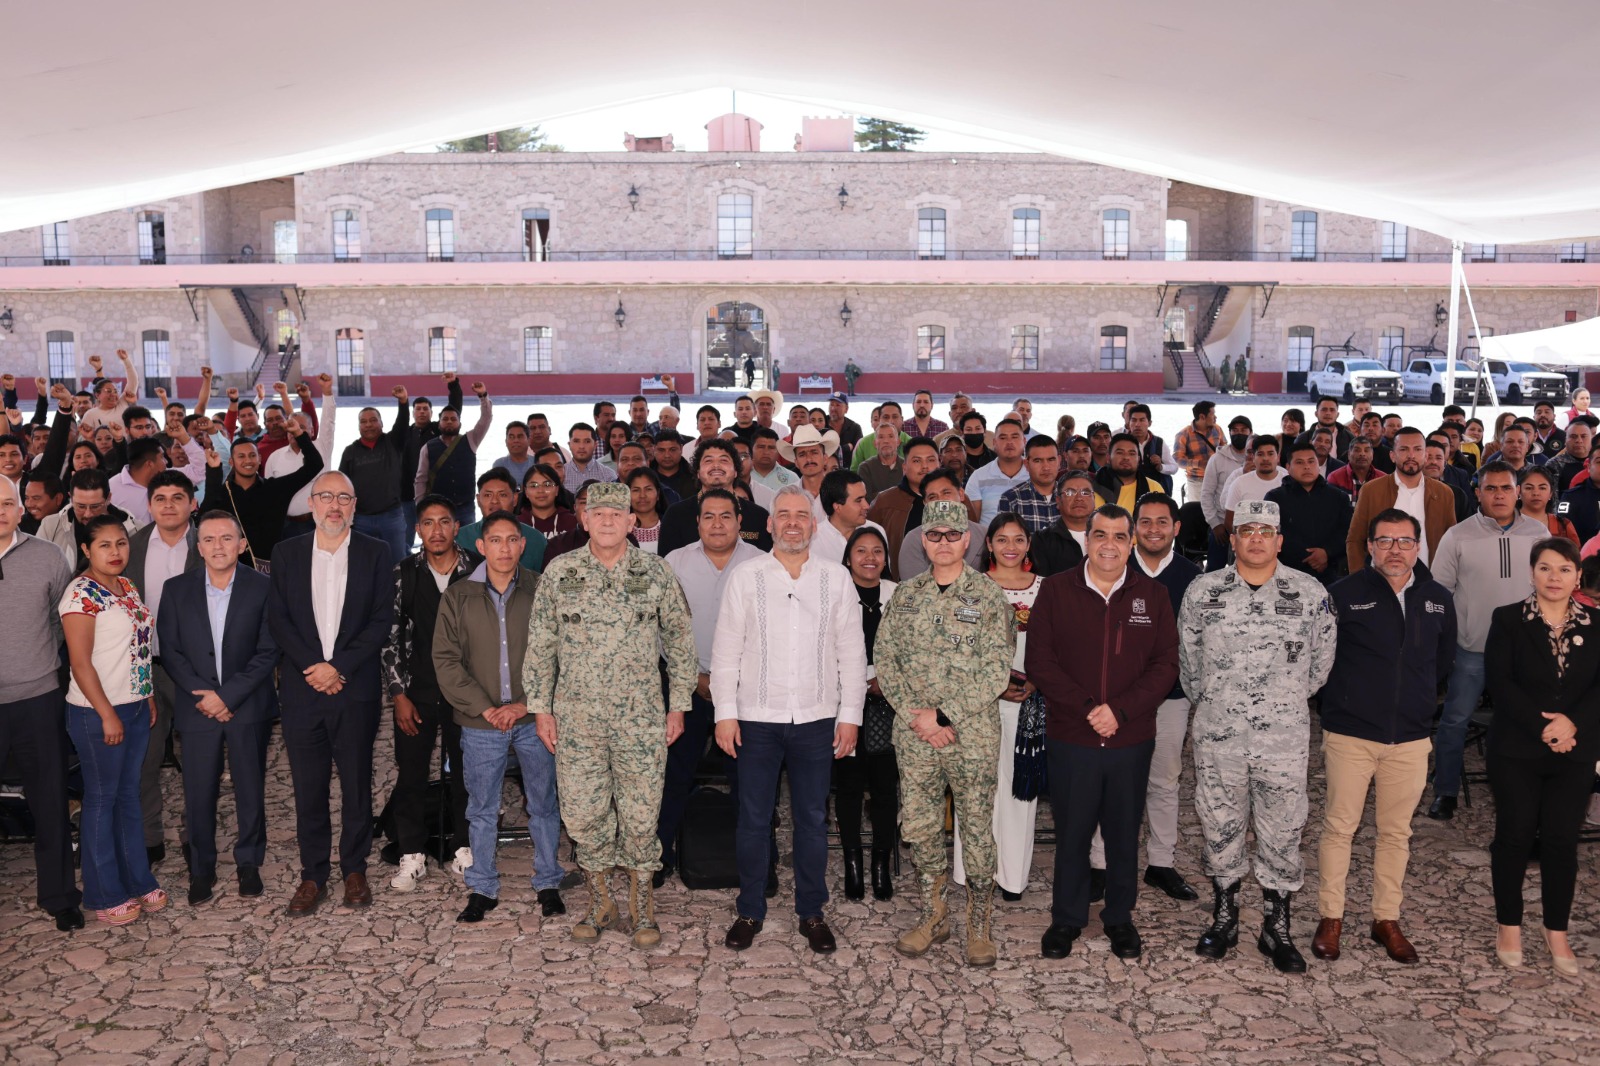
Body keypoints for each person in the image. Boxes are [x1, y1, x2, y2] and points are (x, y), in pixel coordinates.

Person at [523, 482, 698, 947]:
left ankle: (643, 908)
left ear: (630, 521)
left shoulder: (655, 572)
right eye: (596, 513)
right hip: (578, 720)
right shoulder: (560, 573)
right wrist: (540, 708)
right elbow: (541, 646)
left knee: (642, 815)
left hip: (640, 719)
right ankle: (601, 902)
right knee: (584, 814)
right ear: (584, 519)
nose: (605, 520)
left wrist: (679, 704)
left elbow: (680, 642)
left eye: (615, 514)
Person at [1178, 500, 1336, 973]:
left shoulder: (1308, 593)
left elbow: (1320, 665)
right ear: (1233, 538)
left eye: (1265, 531)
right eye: (1246, 530)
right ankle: (1224, 916)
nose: (1256, 539)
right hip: (1218, 735)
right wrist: (1219, 703)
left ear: (1279, 540)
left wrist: (1280, 702)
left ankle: (1276, 924)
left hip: (1283, 738)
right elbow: (1189, 664)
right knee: (1219, 822)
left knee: (1283, 828)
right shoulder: (1203, 591)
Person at [711, 485, 865, 954]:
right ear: (771, 524)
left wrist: (851, 715)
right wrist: (724, 713)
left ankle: (811, 911)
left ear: (814, 526)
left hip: (818, 720)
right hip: (756, 720)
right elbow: (726, 653)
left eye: (802, 515)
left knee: (812, 820)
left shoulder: (836, 579)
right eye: (784, 515)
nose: (794, 522)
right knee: (754, 819)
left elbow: (851, 653)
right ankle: (750, 909)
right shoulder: (745, 576)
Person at [1028, 503, 1179, 960]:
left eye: (1118, 536)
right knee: (1072, 831)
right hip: (1072, 735)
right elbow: (1040, 662)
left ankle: (1119, 917)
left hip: (1129, 738)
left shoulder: (1152, 595)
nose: (1109, 545)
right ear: (1086, 541)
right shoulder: (1056, 591)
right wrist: (1089, 708)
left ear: (1131, 542)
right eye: (1100, 535)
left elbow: (1165, 665)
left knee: (1121, 832)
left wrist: (1122, 711)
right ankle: (1067, 918)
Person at [875, 500, 1016, 968]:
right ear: (922, 540)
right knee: (919, 825)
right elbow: (885, 657)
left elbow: (997, 671)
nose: (942, 543)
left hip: (969, 733)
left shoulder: (990, 597)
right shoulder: (906, 595)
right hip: (914, 733)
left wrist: (943, 716)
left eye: (951, 535)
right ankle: (934, 914)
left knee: (976, 828)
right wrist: (918, 717)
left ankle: (979, 923)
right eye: (933, 535)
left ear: (968, 540)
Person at [1311, 509, 1455, 965]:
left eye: (1405, 541)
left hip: (1410, 738)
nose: (1396, 549)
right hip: (1352, 734)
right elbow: (1320, 663)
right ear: (1369, 546)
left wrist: (1416, 706)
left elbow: (1443, 662)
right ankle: (1331, 917)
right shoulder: (1341, 595)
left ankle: (1385, 919)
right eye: (1386, 540)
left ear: (1418, 547)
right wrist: (1341, 709)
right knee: (1339, 828)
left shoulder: (1437, 599)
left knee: (1396, 832)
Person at [268, 472, 396, 916]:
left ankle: (354, 869)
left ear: (355, 505)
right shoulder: (286, 554)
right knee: (308, 786)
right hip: (304, 690)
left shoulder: (376, 553)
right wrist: (315, 668)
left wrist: (338, 666)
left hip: (353, 686)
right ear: (311, 503)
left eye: (344, 497)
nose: (334, 505)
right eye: (326, 497)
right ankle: (312, 874)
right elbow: (279, 620)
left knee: (358, 782)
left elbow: (380, 621)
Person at [434, 512, 565, 923]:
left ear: (523, 545)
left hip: (533, 720)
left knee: (543, 804)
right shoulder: (458, 595)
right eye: (496, 540)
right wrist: (486, 707)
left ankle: (548, 882)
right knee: (482, 808)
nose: (504, 549)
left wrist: (526, 705)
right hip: (480, 724)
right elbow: (446, 660)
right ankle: (482, 887)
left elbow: (560, 654)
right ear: (480, 545)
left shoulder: (543, 590)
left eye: (512, 540)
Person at [1484, 537, 1599, 977]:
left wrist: (1573, 724)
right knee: (1514, 837)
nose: (1555, 577)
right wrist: (1545, 727)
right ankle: (1508, 925)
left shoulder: (1598, 623)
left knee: (1560, 841)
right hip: (1517, 747)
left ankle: (1557, 930)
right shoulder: (1508, 619)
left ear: (1577, 576)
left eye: (1564, 569)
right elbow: (1501, 681)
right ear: (1531, 572)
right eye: (1546, 568)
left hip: (1576, 748)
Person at [154, 511, 278, 906]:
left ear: (241, 544)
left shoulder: (263, 588)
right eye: (209, 539)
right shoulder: (176, 590)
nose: (218, 546)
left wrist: (229, 696)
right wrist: (203, 694)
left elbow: (269, 649)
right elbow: (170, 651)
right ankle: (201, 868)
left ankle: (248, 863)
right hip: (197, 708)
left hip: (248, 706)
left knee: (250, 786)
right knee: (198, 789)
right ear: (199, 546)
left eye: (227, 538)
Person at [1087, 493, 1203, 903]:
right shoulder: (1115, 565)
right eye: (1146, 522)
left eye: (1162, 522)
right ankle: (1099, 865)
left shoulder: (1194, 577)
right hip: (1116, 702)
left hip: (1171, 696)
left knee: (1164, 779)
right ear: (1133, 531)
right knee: (1110, 780)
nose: (1154, 529)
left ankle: (1161, 863)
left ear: (1176, 527)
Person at [1427, 462, 1548, 820]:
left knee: (1534, 721)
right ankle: (1445, 790)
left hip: (1526, 651)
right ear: (1478, 492)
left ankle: (1533, 791)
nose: (1499, 495)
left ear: (1518, 491)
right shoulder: (1458, 535)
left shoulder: (1539, 533)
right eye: (1491, 489)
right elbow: (1439, 592)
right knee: (1455, 720)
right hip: (1472, 649)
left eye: (1506, 488)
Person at [59, 513, 165, 925]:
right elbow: (80, 664)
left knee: (128, 796)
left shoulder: (127, 586)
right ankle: (103, 893)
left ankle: (137, 878)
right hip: (96, 711)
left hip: (136, 704)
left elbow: (138, 647)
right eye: (105, 545)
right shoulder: (80, 595)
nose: (116, 551)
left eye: (121, 543)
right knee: (102, 799)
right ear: (86, 550)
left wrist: (147, 693)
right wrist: (107, 714)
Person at [657, 489, 763, 884]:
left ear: (740, 522)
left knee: (748, 779)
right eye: (708, 517)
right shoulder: (674, 563)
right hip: (688, 686)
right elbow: (662, 628)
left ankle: (749, 860)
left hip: (743, 691)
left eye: (725, 516)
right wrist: (693, 678)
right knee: (674, 774)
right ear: (697, 522)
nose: (717, 524)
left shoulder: (761, 564)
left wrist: (728, 681)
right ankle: (661, 853)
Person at [381, 494, 479, 890]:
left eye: (444, 521)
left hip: (468, 694)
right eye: (427, 523)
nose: (436, 530)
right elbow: (389, 638)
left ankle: (465, 847)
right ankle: (411, 854)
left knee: (467, 774)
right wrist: (398, 694)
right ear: (417, 529)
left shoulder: (478, 568)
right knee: (411, 774)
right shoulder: (404, 572)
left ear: (457, 527)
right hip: (416, 693)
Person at [0, 474, 82, 930]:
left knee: (50, 801)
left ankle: (60, 895)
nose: (2, 510)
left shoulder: (48, 557)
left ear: (20, 508)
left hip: (37, 698)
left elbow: (60, 623)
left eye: (8, 502)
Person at [951, 513, 1044, 903]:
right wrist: (995, 683)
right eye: (1002, 539)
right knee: (977, 787)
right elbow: (958, 646)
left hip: (1030, 700)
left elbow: (1057, 645)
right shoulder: (970, 587)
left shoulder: (1048, 589)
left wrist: (1036, 680)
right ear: (987, 544)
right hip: (981, 701)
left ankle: (1012, 876)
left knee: (1019, 791)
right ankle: (972, 872)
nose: (1010, 547)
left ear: (1028, 545)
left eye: (1018, 539)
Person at [123, 470, 202, 866]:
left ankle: (195, 835)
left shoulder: (209, 544)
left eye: (177, 497)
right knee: (144, 757)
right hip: (144, 669)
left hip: (195, 670)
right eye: (160, 498)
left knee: (198, 757)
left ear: (192, 503)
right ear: (149, 505)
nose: (168, 505)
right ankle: (149, 837)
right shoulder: (131, 547)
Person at [832, 526, 902, 901]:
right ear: (848, 558)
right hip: (845, 706)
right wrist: (860, 683)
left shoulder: (899, 595)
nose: (870, 558)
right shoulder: (834, 594)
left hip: (890, 705)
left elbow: (912, 648)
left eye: (878, 551)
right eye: (861, 551)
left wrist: (884, 680)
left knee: (885, 788)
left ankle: (880, 863)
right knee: (848, 787)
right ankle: (853, 864)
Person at [205, 419, 325, 570]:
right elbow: (205, 514)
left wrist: (299, 434)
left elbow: (315, 465)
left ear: (260, 459)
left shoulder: (276, 488)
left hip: (271, 570)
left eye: (252, 455)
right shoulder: (223, 492)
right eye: (241, 456)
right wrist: (214, 470)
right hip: (231, 570)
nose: (248, 460)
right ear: (231, 461)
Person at [1346, 428, 1458, 570]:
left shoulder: (1444, 493)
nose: (1411, 455)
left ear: (1425, 455)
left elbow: (1452, 543)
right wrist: (1359, 581)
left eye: (1417, 449)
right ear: (1392, 455)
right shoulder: (1371, 490)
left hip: (1429, 583)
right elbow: (1355, 540)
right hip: (1380, 583)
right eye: (1404, 449)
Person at [658, 439, 772, 555]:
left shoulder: (759, 516)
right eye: (708, 461)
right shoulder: (676, 515)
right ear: (698, 472)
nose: (716, 465)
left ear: (736, 471)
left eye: (723, 460)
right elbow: (665, 566)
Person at [339, 386, 412, 565]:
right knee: (365, 565)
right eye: (364, 421)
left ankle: (399, 594)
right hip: (361, 520)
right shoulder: (350, 452)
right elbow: (342, 487)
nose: (369, 424)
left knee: (398, 564)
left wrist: (403, 402)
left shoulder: (393, 443)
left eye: (373, 420)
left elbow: (402, 423)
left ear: (381, 423)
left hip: (392, 517)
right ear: (358, 426)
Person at [1266, 440, 1353, 584]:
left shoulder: (1338, 497)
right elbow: (1271, 535)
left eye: (1311, 461)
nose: (1307, 466)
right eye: (1299, 462)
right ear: (1288, 467)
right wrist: (1310, 557)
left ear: (1318, 465)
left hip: (1331, 572)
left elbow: (1348, 531)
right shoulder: (1274, 498)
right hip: (1287, 574)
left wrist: (1327, 552)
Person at [414, 381, 493, 526]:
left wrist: (483, 396)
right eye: (445, 419)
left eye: (453, 419)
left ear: (460, 424)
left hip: (465, 508)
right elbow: (420, 479)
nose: (449, 422)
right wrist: (421, 506)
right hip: (437, 509)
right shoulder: (428, 447)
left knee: (467, 546)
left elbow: (486, 418)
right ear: (439, 424)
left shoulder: (471, 440)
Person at [865, 437, 941, 579]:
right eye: (917, 461)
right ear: (904, 467)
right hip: (898, 584)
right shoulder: (885, 501)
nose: (925, 466)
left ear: (939, 464)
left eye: (931, 460)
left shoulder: (957, 499)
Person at [897, 468, 984, 580]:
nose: (941, 501)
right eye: (932, 497)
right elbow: (912, 586)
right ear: (925, 503)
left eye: (946, 493)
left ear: (961, 494)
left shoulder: (984, 534)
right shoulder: (913, 539)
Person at [456, 469, 547, 572]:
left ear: (515, 499)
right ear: (478, 500)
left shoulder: (536, 539)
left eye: (502, 495)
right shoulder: (459, 538)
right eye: (487, 495)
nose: (494, 501)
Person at [38, 468, 138, 561]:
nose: (88, 514)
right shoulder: (50, 526)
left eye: (95, 507)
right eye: (81, 506)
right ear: (71, 499)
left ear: (108, 498)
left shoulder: (135, 529)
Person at [1199, 415, 1253, 571]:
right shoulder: (1217, 459)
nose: (1239, 433)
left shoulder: (1259, 459)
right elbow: (1206, 494)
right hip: (1222, 525)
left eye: (1243, 430)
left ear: (1251, 432)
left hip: (1252, 527)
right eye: (1234, 430)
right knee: (1214, 569)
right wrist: (1215, 524)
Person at [966, 418, 1029, 525]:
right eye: (1003, 437)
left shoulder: (1035, 473)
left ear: (1024, 441)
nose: (1009, 442)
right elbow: (972, 523)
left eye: (1014, 437)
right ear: (994, 443)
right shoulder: (978, 476)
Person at [996, 435, 1061, 534]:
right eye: (1038, 461)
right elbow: (1005, 541)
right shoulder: (1011, 499)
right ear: (1026, 464)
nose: (1046, 467)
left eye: (1051, 460)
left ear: (1059, 461)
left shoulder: (1071, 495)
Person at [1173, 400, 1223, 505]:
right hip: (1196, 481)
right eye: (1212, 414)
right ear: (1202, 417)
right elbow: (1177, 460)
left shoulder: (1217, 429)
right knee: (1198, 514)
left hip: (1218, 479)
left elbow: (1225, 449)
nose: (1215, 417)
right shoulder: (1183, 434)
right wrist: (1198, 464)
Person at [1519, 466, 1578, 543]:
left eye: (1542, 488)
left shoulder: (1563, 526)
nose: (1536, 493)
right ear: (1519, 492)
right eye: (1529, 488)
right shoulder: (1506, 523)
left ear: (1551, 493)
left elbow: (1575, 554)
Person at [519, 463, 577, 539]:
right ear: (526, 491)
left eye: (547, 485)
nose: (540, 491)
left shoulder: (573, 522)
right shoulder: (516, 524)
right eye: (534, 486)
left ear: (557, 490)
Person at [858, 420, 905, 503]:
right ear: (875, 443)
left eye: (891, 436)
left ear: (898, 442)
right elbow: (866, 501)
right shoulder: (865, 468)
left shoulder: (907, 467)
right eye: (881, 437)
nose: (886, 441)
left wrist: (877, 495)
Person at [623, 467, 667, 554]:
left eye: (648, 489)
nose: (642, 495)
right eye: (636, 490)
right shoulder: (621, 527)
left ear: (658, 494)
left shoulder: (670, 524)